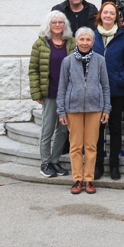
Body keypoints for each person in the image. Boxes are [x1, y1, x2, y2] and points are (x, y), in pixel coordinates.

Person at [56, 27, 111, 195]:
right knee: (75, 145)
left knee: (91, 145)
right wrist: (61, 111)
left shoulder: (100, 60)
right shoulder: (67, 61)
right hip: (73, 108)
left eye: (88, 40)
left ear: (93, 42)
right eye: (82, 39)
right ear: (76, 41)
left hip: (95, 108)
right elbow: (62, 87)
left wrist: (106, 108)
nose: (85, 43)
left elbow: (105, 86)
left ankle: (89, 179)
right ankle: (77, 179)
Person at [92, 2, 124, 181]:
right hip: (95, 91)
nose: (108, 16)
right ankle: (98, 165)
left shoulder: (123, 37)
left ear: (116, 17)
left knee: (115, 128)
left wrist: (121, 80)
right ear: (100, 15)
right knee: (97, 129)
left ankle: (114, 164)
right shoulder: (92, 35)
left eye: (112, 13)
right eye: (105, 12)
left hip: (116, 91)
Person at [29, 11, 76, 179]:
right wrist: (36, 92)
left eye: (60, 22)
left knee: (63, 130)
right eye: (54, 22)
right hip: (49, 92)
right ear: (49, 25)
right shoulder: (40, 44)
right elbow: (33, 69)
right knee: (47, 129)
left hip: (67, 93)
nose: (57, 25)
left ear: (65, 25)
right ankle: (45, 163)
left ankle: (55, 161)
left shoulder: (71, 43)